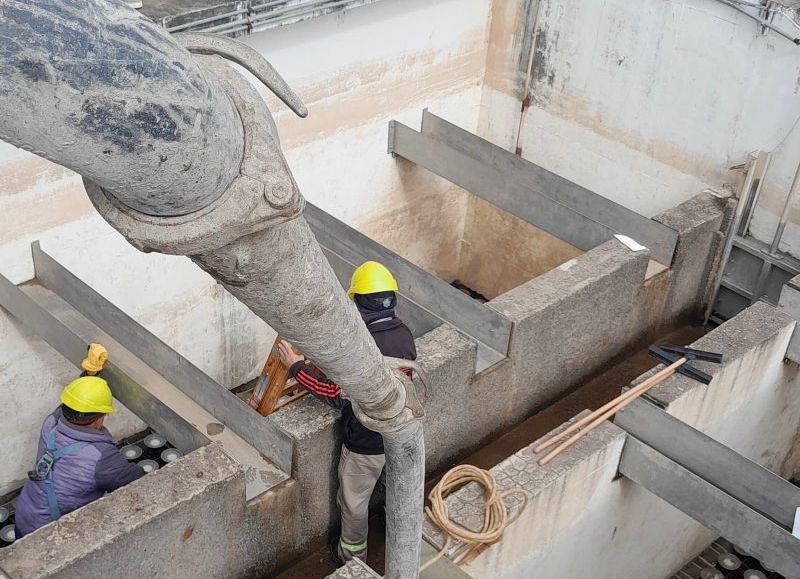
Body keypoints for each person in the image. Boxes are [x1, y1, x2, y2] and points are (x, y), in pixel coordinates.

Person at [277, 261, 416, 564]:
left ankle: (353, 559)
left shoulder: (362, 347)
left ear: (359, 304)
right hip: (400, 436)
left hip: (365, 445)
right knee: (399, 491)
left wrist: (295, 367)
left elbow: (334, 395)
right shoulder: (404, 334)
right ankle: (404, 543)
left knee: (354, 504)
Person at [14, 346, 145, 537]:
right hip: (46, 535)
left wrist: (90, 374)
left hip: (25, 515)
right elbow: (136, 480)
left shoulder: (52, 422)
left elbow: (74, 403)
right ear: (101, 417)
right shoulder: (100, 457)